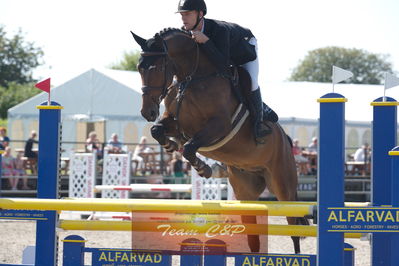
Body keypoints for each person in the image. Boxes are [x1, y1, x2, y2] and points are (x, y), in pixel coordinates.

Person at [176, 0, 278, 144]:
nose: (183, 18)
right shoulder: (185, 32)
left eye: (187, 14)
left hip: (244, 51)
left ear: (200, 14)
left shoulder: (220, 30)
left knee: (251, 82)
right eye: (181, 15)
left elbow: (224, 65)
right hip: (224, 56)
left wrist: (206, 41)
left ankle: (259, 122)